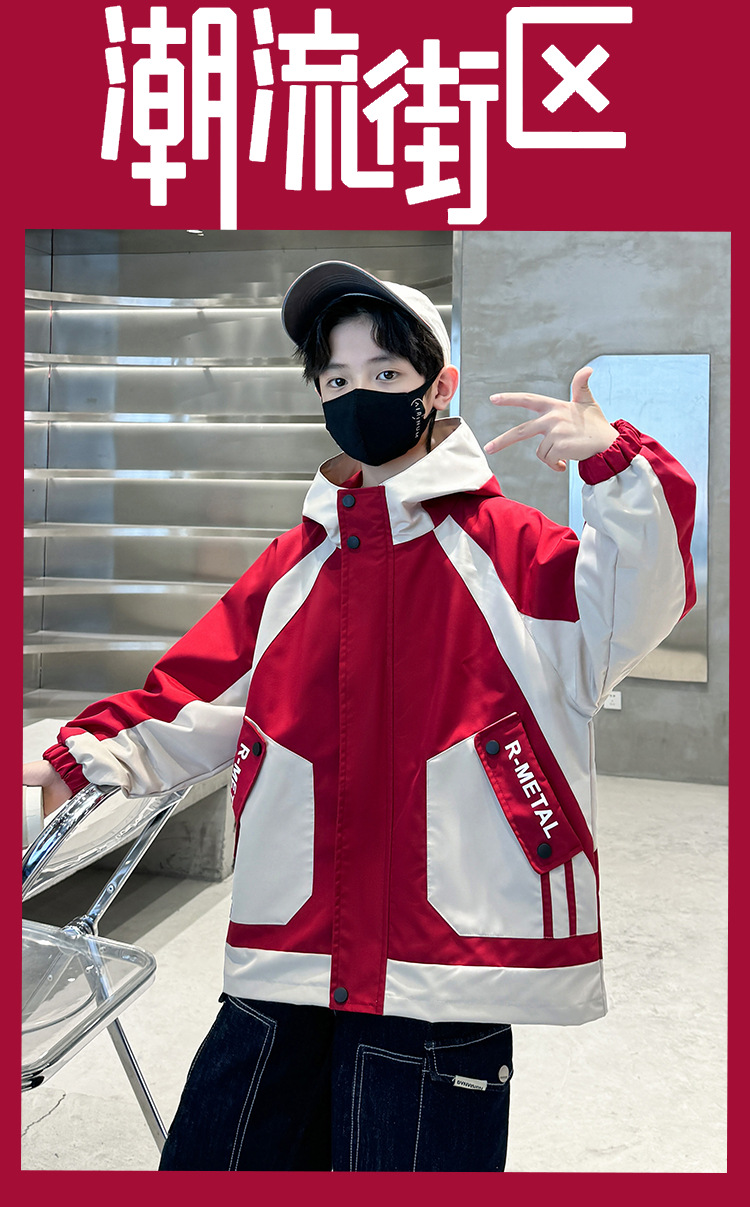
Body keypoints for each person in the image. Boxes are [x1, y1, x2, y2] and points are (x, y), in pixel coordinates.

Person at [22, 260, 697, 1172]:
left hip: (444, 966)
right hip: (291, 944)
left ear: (439, 387)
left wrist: (616, 462)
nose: (356, 396)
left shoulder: (511, 549)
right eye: (336, 380)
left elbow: (638, 599)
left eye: (385, 373)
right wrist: (78, 753)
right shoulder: (298, 559)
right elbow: (201, 691)